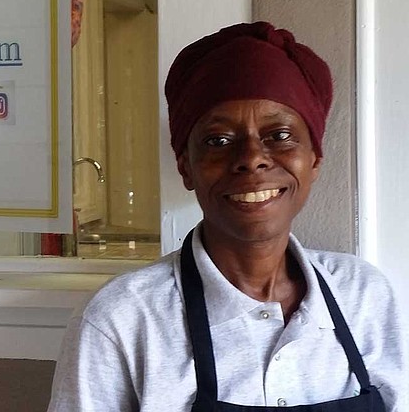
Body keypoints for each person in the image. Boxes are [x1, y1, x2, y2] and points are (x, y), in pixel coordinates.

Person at [48, 22, 406, 411]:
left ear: (315, 158)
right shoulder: (124, 319)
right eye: (218, 141)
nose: (252, 158)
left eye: (280, 135)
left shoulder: (363, 295)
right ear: (186, 167)